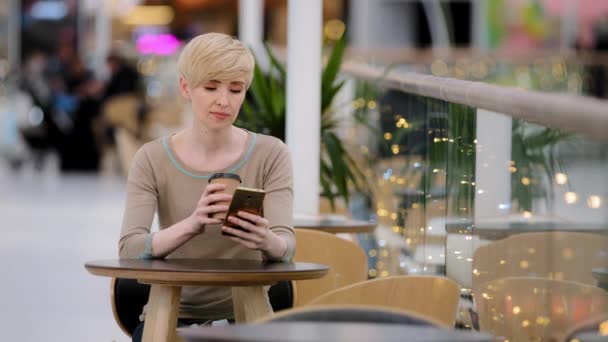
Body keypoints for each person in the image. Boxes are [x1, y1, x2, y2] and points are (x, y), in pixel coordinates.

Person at [118, 33, 295, 341]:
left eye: (235, 89)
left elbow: (287, 246)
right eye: (211, 87)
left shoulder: (271, 154)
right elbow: (129, 249)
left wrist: (264, 239)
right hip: (171, 313)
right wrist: (193, 224)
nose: (223, 101)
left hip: (249, 315)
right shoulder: (152, 158)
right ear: (186, 87)